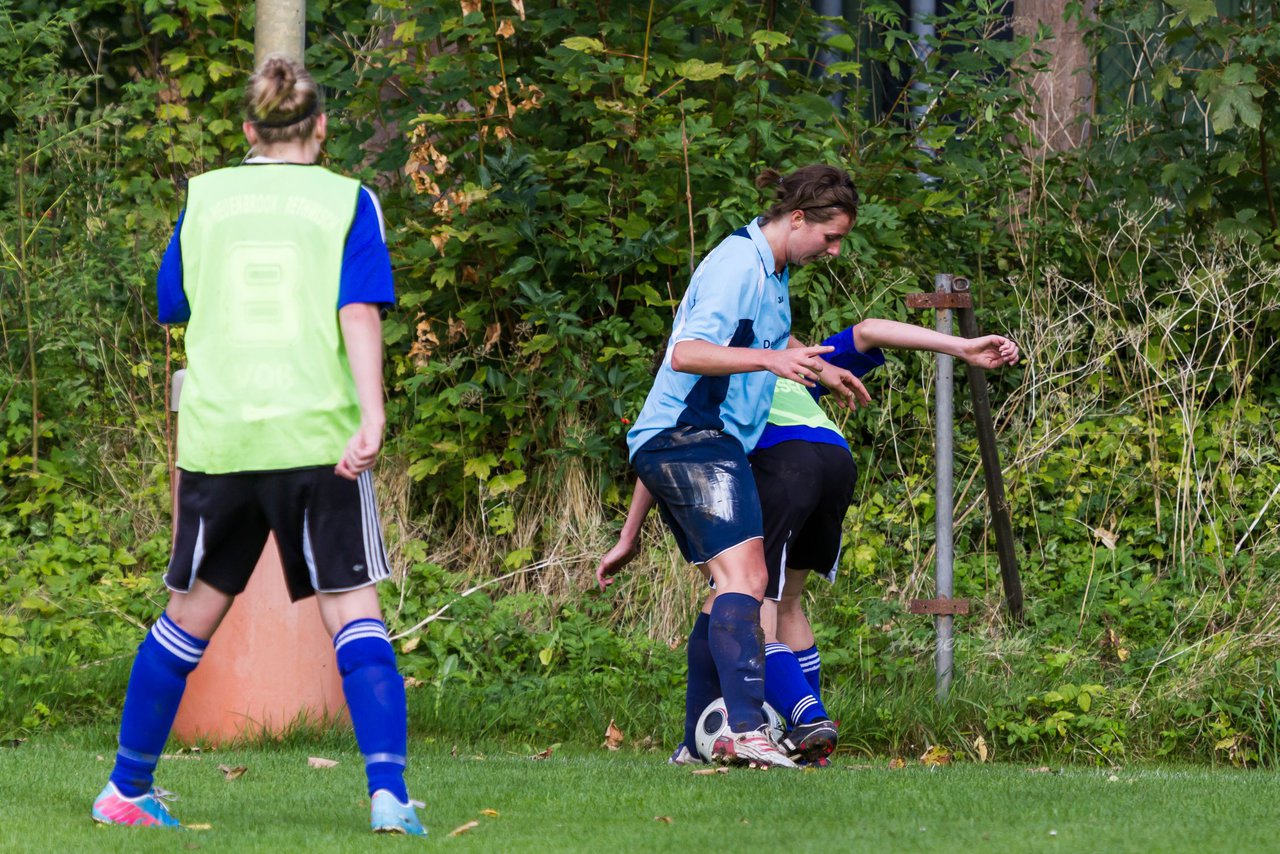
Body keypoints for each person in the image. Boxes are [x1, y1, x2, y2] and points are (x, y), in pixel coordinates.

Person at [90, 56, 427, 836]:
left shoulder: (205, 197)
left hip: (223, 433)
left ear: (247, 131)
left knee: (188, 618)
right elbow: (358, 312)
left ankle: (126, 789)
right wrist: (372, 413)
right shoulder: (349, 199)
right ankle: (387, 796)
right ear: (321, 129)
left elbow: (174, 303)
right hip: (317, 433)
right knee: (355, 612)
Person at [599, 320, 1020, 765]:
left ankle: (803, 721)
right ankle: (807, 753)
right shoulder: (796, 364)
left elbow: (662, 444)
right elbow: (870, 330)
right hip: (835, 461)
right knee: (788, 602)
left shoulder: (714, 377)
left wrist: (628, 536)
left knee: (742, 594)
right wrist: (962, 347)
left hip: (779, 464)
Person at [621, 164, 868, 769]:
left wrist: (812, 364)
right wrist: (768, 358)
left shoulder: (773, 272)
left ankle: (695, 741)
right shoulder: (738, 264)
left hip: (705, 440)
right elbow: (687, 353)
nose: (833, 252)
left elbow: (762, 340)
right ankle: (747, 727)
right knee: (748, 583)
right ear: (798, 218)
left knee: (736, 585)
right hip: (688, 435)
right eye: (829, 237)